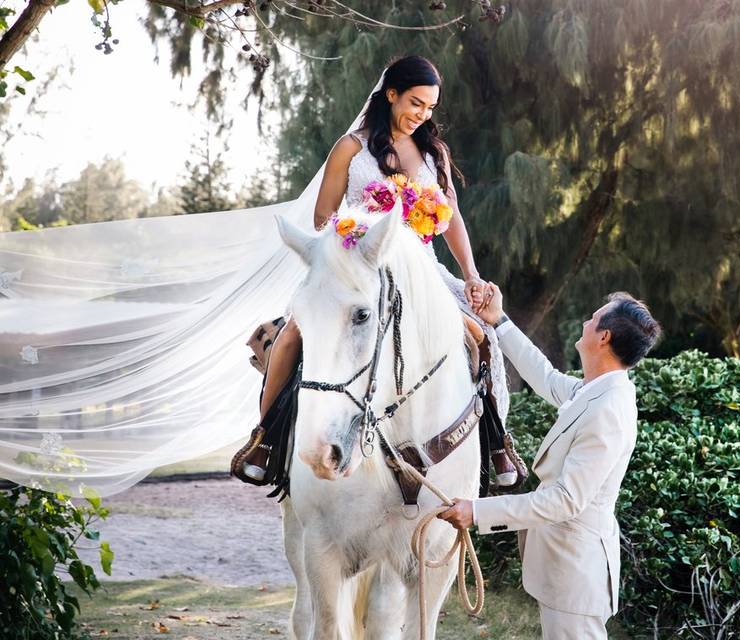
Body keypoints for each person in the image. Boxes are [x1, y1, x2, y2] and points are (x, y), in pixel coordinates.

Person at [233, 55, 517, 488]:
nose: (421, 115)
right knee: (293, 332)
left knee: (482, 337)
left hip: (422, 270)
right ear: (391, 95)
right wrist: (367, 220)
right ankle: (266, 439)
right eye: (415, 103)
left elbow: (452, 217)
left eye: (430, 107)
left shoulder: (433, 151)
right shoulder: (351, 147)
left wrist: (472, 274)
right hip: (357, 266)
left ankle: (497, 444)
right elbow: (323, 218)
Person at [439, 283, 661, 639]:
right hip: (564, 565)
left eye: (593, 319)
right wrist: (500, 321)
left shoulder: (609, 409)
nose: (586, 322)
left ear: (603, 337)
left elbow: (566, 500)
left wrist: (477, 512)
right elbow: (544, 376)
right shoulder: (597, 389)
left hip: (576, 571)